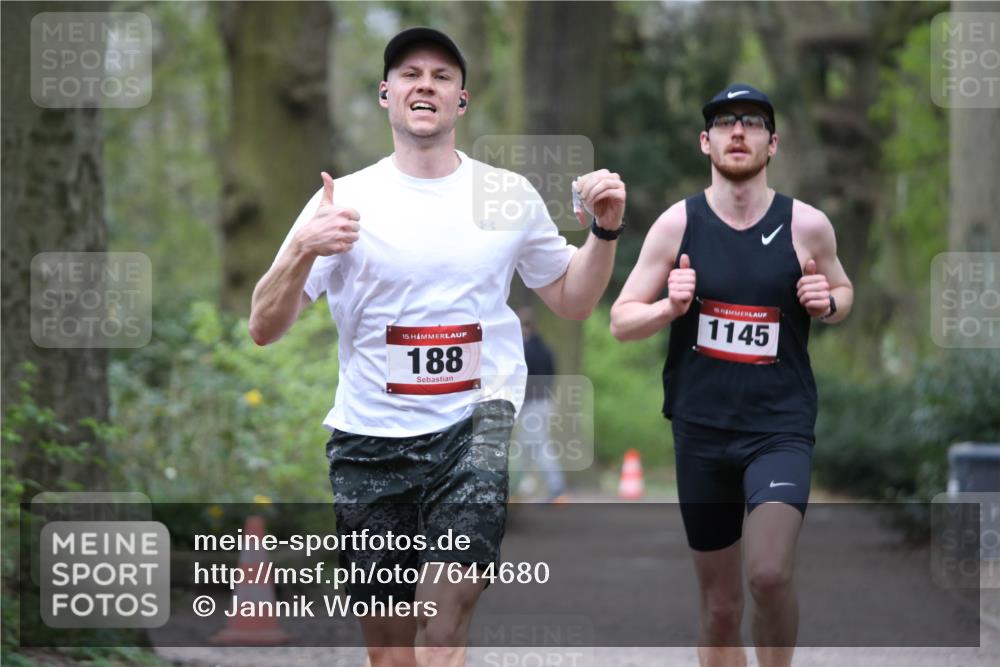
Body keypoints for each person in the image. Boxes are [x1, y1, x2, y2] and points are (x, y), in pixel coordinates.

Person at [247, 27, 626, 667]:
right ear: (386, 94)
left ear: (462, 100)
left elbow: (572, 299)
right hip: (369, 438)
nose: (426, 83)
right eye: (411, 73)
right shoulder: (343, 199)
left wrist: (606, 231)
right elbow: (263, 324)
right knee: (392, 648)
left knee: (447, 616)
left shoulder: (506, 195)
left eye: (442, 75)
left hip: (475, 425)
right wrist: (303, 247)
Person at [610, 83, 853, 667]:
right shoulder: (677, 225)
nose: (737, 131)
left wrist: (829, 302)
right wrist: (669, 308)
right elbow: (622, 320)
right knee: (719, 609)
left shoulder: (808, 226)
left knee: (768, 576)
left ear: (774, 143)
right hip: (701, 432)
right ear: (705, 141)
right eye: (724, 123)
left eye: (750, 122)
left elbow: (843, 290)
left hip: (780, 429)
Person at [512, 305, 567, 503]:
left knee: (539, 446)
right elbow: (552, 374)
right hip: (544, 402)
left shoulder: (523, 349)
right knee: (526, 446)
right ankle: (516, 489)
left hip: (530, 405)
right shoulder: (545, 348)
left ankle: (557, 488)